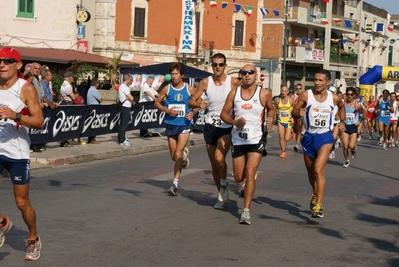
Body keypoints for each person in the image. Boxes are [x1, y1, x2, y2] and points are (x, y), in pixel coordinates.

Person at [0, 47, 44, 260]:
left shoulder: (25, 88)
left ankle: (33, 238)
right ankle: (2, 223)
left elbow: (39, 121)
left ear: (18, 65)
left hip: (17, 153)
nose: (2, 64)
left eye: (7, 61)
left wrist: (16, 115)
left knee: (22, 203)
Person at [220, 64, 275, 225]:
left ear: (255, 75)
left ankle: (246, 211)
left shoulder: (264, 94)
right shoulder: (234, 93)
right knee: (238, 177)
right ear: (241, 76)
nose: (247, 75)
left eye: (250, 72)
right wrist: (235, 122)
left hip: (256, 139)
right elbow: (224, 114)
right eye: (244, 73)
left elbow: (271, 109)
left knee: (250, 173)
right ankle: (242, 183)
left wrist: (270, 118)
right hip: (238, 140)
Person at [188, 53, 241, 210]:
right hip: (210, 125)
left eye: (220, 64)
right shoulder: (206, 82)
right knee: (214, 164)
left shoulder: (233, 82)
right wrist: (199, 103)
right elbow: (191, 101)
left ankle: (224, 183)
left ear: (225, 66)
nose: (217, 67)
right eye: (215, 64)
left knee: (219, 158)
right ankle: (222, 194)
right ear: (212, 66)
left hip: (226, 126)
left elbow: (249, 93)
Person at [292, 69, 345, 218]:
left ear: (328, 82)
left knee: (318, 169)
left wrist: (342, 121)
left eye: (321, 80)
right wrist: (298, 113)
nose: (317, 83)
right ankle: (315, 193)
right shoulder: (306, 95)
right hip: (308, 136)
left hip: (325, 137)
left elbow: (341, 107)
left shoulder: (334, 98)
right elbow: (294, 112)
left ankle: (319, 206)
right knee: (310, 172)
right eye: (315, 80)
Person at [154, 62, 197, 196]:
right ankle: (183, 156)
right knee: (174, 156)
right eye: (172, 74)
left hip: (184, 124)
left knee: (177, 153)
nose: (174, 76)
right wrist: (167, 110)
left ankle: (175, 184)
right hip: (171, 124)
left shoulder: (189, 89)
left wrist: (193, 112)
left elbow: (199, 103)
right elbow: (156, 103)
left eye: (176, 74)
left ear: (182, 75)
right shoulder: (167, 89)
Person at [341, 87, 366, 168]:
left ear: (354, 95)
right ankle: (347, 160)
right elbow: (338, 112)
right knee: (345, 145)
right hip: (345, 126)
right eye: (348, 94)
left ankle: (353, 150)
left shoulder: (357, 105)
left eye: (351, 94)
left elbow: (364, 113)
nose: (349, 96)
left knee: (351, 146)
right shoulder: (343, 104)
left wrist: (359, 120)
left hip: (353, 126)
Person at [274, 85, 295, 158]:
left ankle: (291, 132)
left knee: (287, 139)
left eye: (285, 91)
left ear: (287, 92)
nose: (283, 92)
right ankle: (283, 151)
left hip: (288, 122)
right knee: (281, 136)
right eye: (282, 91)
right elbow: (274, 109)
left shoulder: (291, 101)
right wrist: (273, 117)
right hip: (280, 121)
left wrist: (293, 118)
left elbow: (295, 110)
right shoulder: (277, 101)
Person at [118, 74, 135, 146]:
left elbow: (129, 98)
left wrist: (128, 98)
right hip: (125, 107)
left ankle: (121, 137)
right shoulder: (123, 87)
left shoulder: (125, 87)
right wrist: (130, 98)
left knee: (123, 123)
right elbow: (131, 98)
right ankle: (122, 140)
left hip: (126, 106)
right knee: (124, 124)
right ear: (128, 79)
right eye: (131, 80)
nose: (131, 81)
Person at [86, 78, 103, 144]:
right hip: (94, 108)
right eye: (98, 83)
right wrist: (102, 99)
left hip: (91, 108)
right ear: (96, 84)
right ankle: (92, 139)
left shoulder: (90, 89)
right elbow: (100, 100)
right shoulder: (94, 90)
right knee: (94, 124)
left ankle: (91, 138)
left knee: (92, 123)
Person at [293, 84, 304, 152]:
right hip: (295, 115)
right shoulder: (293, 96)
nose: (298, 90)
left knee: (300, 128)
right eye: (297, 88)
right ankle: (297, 144)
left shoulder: (305, 96)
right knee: (297, 131)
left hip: (303, 115)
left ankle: (297, 144)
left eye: (300, 88)